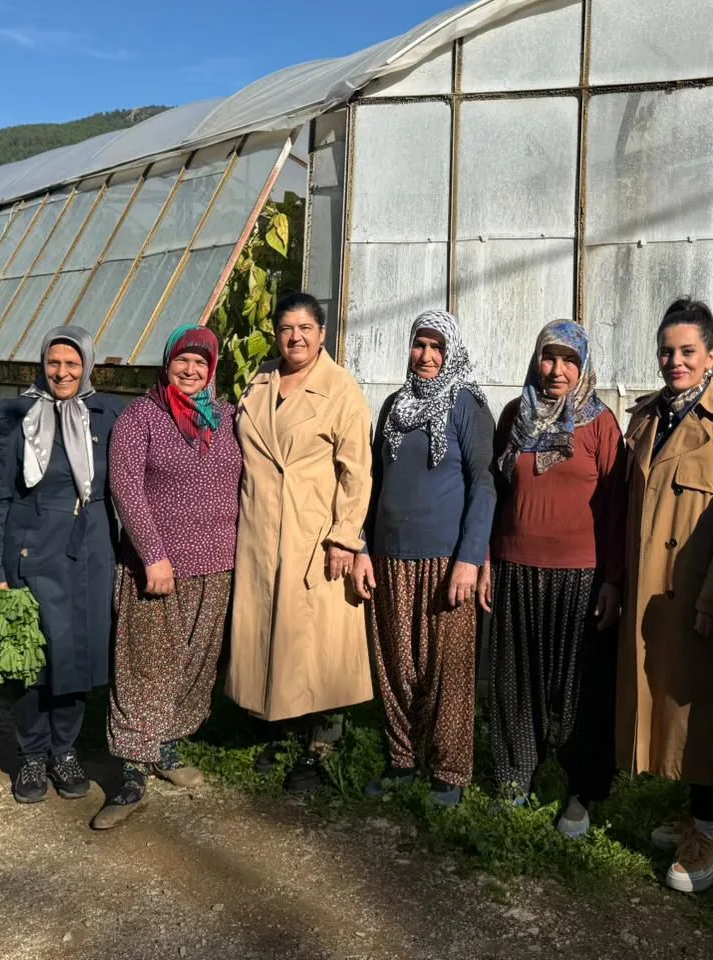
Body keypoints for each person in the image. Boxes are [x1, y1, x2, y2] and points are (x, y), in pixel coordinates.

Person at [615, 297, 713, 892]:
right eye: (666, 351)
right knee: (672, 710)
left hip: (696, 592)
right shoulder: (646, 417)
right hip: (650, 593)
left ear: (711, 357)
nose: (674, 361)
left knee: (701, 713)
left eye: (687, 351)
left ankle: (706, 833)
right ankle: (707, 815)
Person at [92, 324, 242, 830]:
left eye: (201, 362)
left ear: (212, 368)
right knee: (146, 666)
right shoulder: (142, 417)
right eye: (183, 360)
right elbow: (125, 487)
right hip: (158, 569)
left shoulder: (227, 417)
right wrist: (153, 555)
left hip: (218, 563)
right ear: (167, 363)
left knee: (196, 662)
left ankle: (166, 747)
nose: (191, 370)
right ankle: (132, 771)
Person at [229, 291, 374, 792]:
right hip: (259, 529)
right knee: (272, 631)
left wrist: (345, 537)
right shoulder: (260, 381)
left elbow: (357, 471)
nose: (296, 338)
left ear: (322, 334)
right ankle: (279, 727)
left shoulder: (340, 389)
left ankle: (321, 746)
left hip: (313, 532)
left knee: (317, 642)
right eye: (287, 328)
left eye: (305, 328)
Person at [352, 310, 496, 807]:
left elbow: (483, 485)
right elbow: (373, 483)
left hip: (445, 561)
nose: (427, 356)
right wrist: (363, 548)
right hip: (390, 558)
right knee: (396, 665)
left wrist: (469, 559)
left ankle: (449, 771)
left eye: (437, 347)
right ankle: (402, 759)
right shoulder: (395, 405)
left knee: (446, 671)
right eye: (420, 344)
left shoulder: (467, 405)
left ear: (451, 351)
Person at [489, 319, 625, 837]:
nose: (557, 370)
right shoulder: (514, 415)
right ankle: (514, 777)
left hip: (581, 576)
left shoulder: (600, 424)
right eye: (549, 357)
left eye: (569, 360)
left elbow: (616, 507)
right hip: (517, 567)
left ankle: (579, 792)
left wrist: (613, 580)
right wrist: (487, 560)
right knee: (516, 681)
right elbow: (497, 492)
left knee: (577, 688)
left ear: (583, 366)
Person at [0, 325, 123, 804]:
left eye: (72, 364)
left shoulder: (107, 416)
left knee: (76, 656)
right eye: (53, 363)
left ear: (87, 366)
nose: (62, 372)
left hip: (90, 552)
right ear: (41, 365)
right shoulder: (14, 416)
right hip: (30, 549)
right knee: (32, 659)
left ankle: (65, 750)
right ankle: (32, 755)